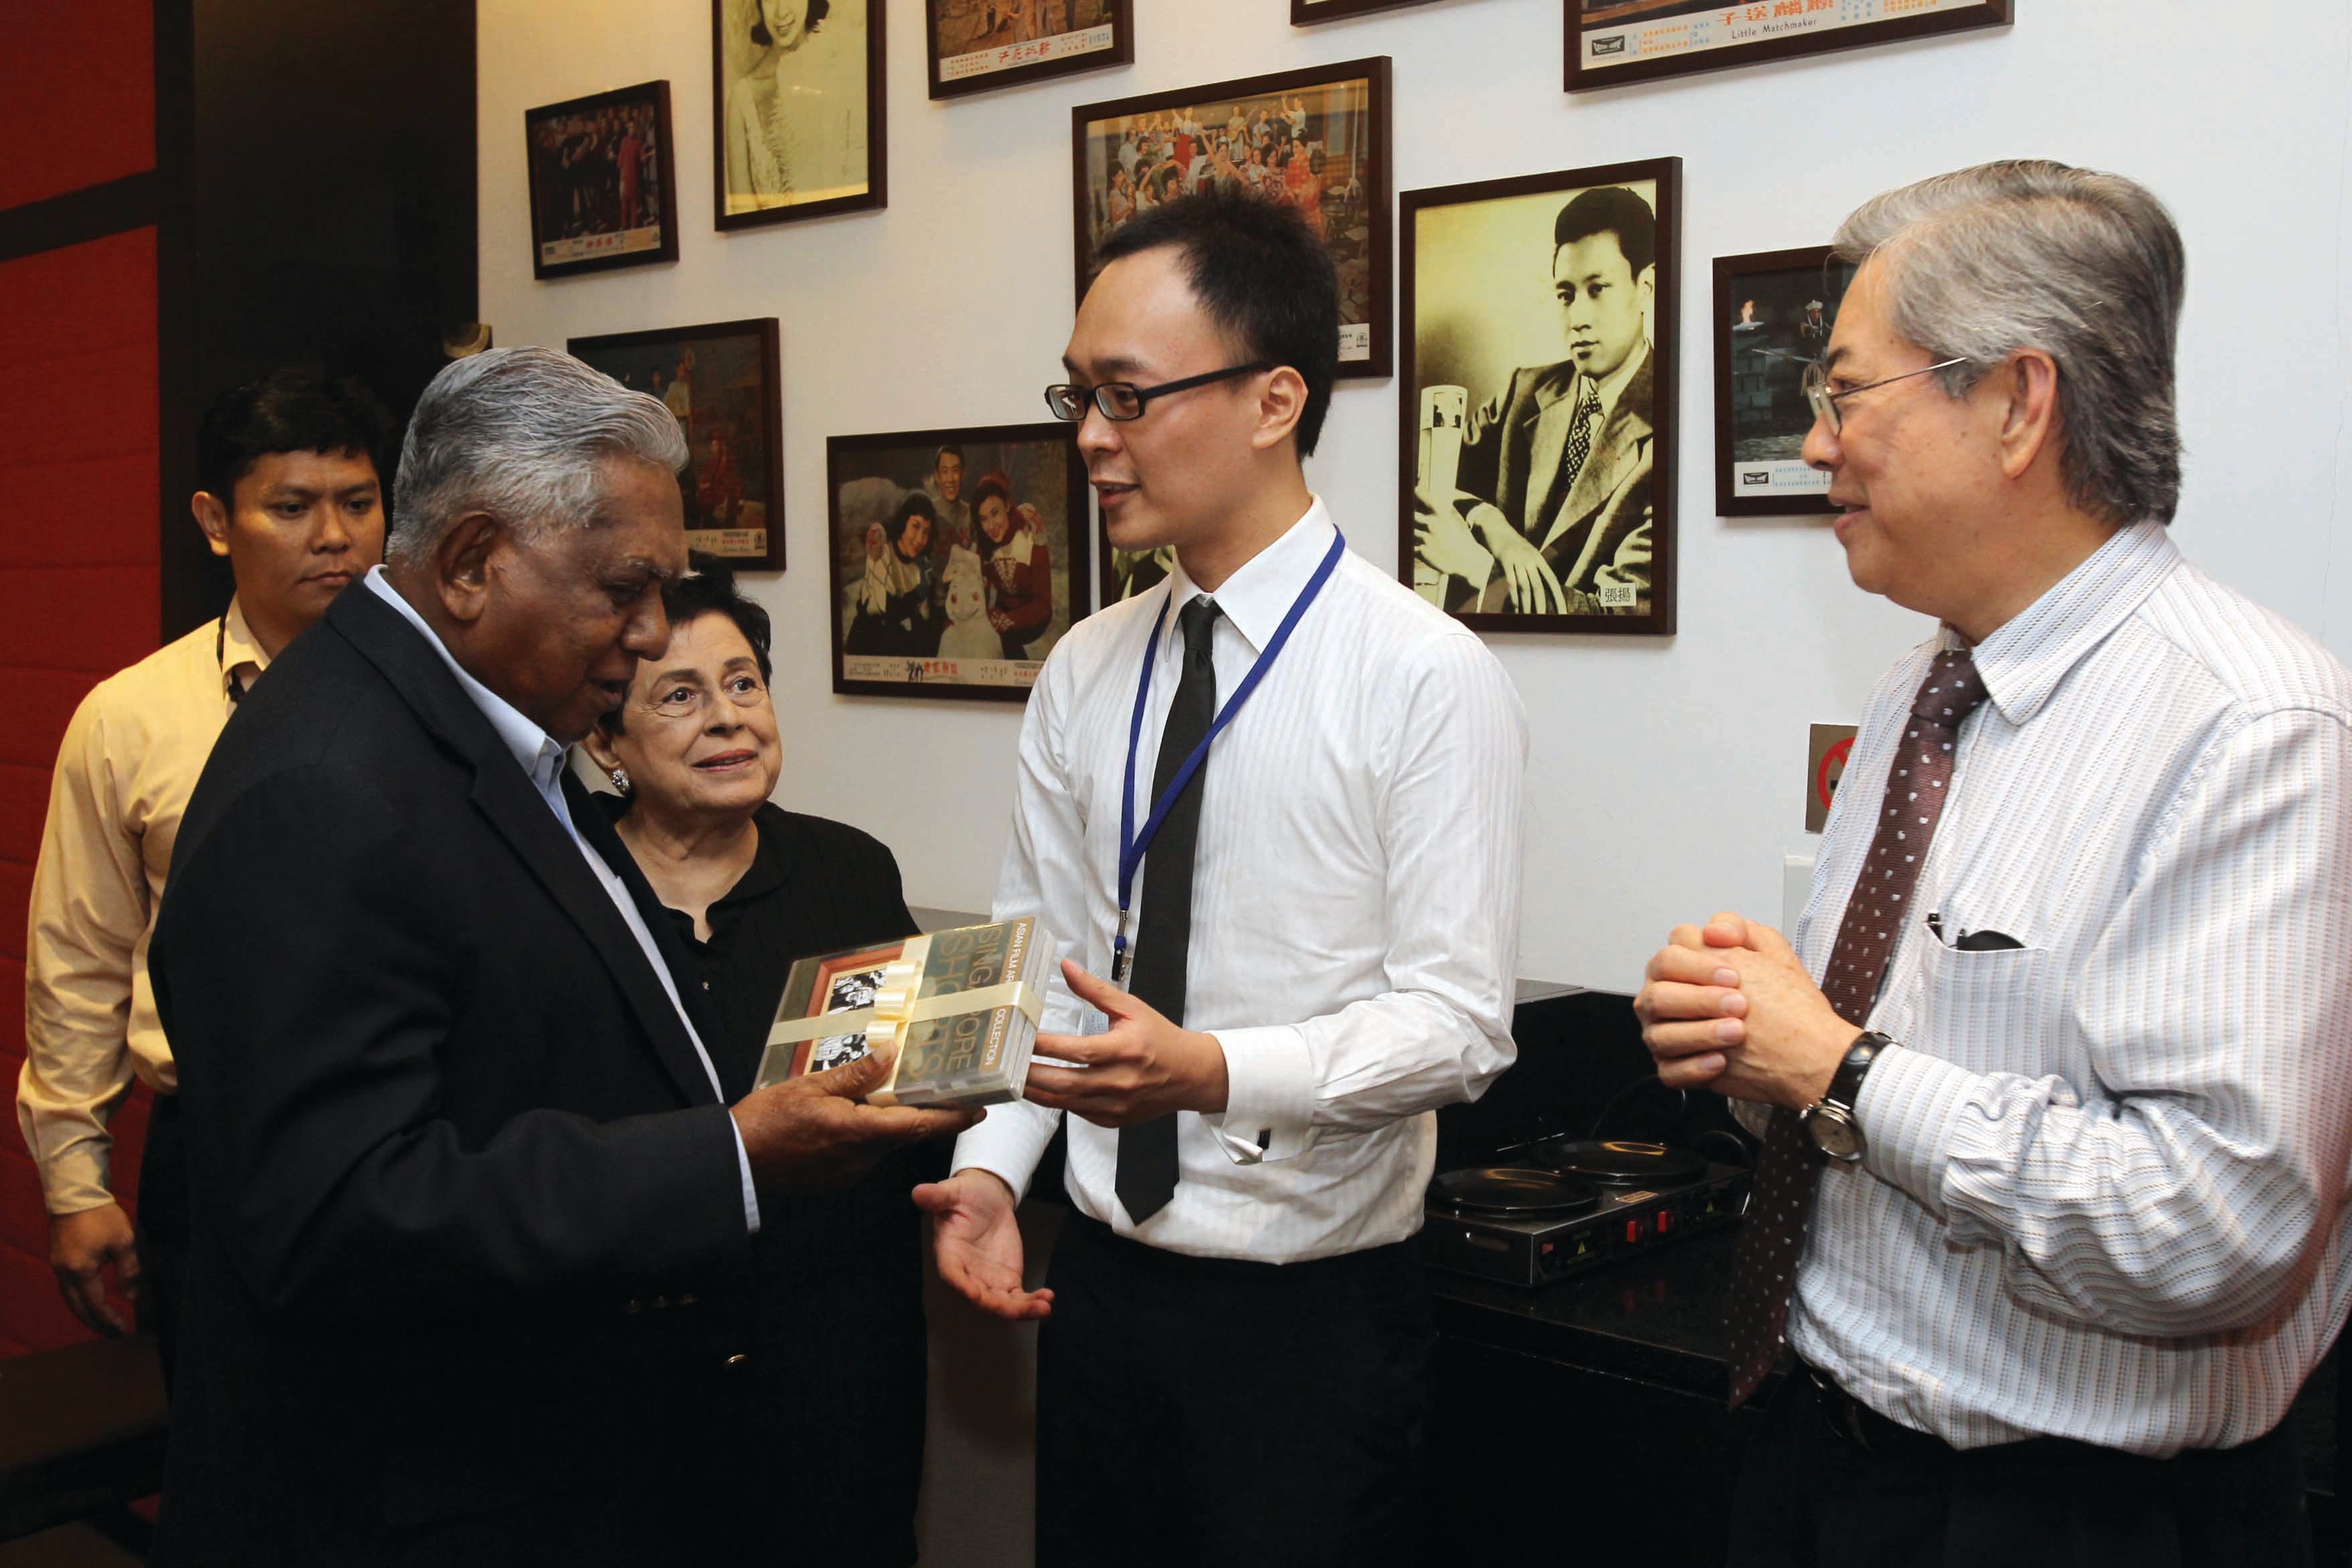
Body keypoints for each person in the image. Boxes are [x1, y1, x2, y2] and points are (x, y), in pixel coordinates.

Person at [144, 347, 973, 1565]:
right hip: (422, 1500)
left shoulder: (465, 732)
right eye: (625, 590)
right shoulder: (329, 783)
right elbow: (340, 1210)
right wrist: (730, 1154)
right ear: (475, 561)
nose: (649, 637)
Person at [1635, 161, 2352, 1566]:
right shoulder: (1929, 689)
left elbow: (2219, 1225)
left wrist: (1835, 1068)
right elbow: (1877, 1080)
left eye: (1845, 392)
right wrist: (1753, 1042)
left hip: (2076, 1515)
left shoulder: (2252, 727)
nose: (1815, 438)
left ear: (2018, 404)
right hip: (1827, 1456)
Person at [915, 187, 1528, 1567]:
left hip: (1306, 1330)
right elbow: (1035, 952)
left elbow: (1460, 1021)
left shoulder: (1422, 677)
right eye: (1077, 393)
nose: (1088, 437)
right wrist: (995, 1173)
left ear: (1274, 399)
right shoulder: (1086, 663)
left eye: (1127, 397)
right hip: (1099, 1286)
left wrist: (1212, 1070)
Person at [19, 371, 391, 1374]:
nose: (333, 537)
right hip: (218, 1139)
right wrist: (76, 1183)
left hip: (413, 1126)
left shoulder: (444, 696)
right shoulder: (133, 716)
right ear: (216, 522)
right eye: (292, 508)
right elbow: (80, 955)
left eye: (357, 504)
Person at [579, 563, 935, 1568]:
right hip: (626, 1393)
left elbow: (907, 1087)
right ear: (606, 737)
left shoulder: (847, 873)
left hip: (834, 1368)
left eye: (745, 684)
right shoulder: (559, 893)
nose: (729, 720)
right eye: (680, 696)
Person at [1414, 184, 1657, 618]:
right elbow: (1422, 482)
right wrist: (1490, 522)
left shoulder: (1669, 430)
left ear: (1646, 288)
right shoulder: (1523, 392)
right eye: (1566, 295)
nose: (1578, 318)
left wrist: (1479, 566)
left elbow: (1616, 611)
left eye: (1597, 289)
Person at [844, 494, 940, 658]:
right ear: (903, 523)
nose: (920, 539)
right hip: (868, 648)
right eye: (915, 527)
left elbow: (924, 622)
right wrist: (917, 594)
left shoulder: (921, 567)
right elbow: (882, 610)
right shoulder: (883, 552)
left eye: (926, 532)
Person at [969, 473, 1053, 659]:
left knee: (1005, 637)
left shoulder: (1031, 537)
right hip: (1003, 610)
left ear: (1007, 506)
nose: (991, 526)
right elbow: (978, 596)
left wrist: (1007, 620)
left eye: (995, 513)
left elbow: (1043, 605)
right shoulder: (983, 547)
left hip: (1034, 614)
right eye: (983, 519)